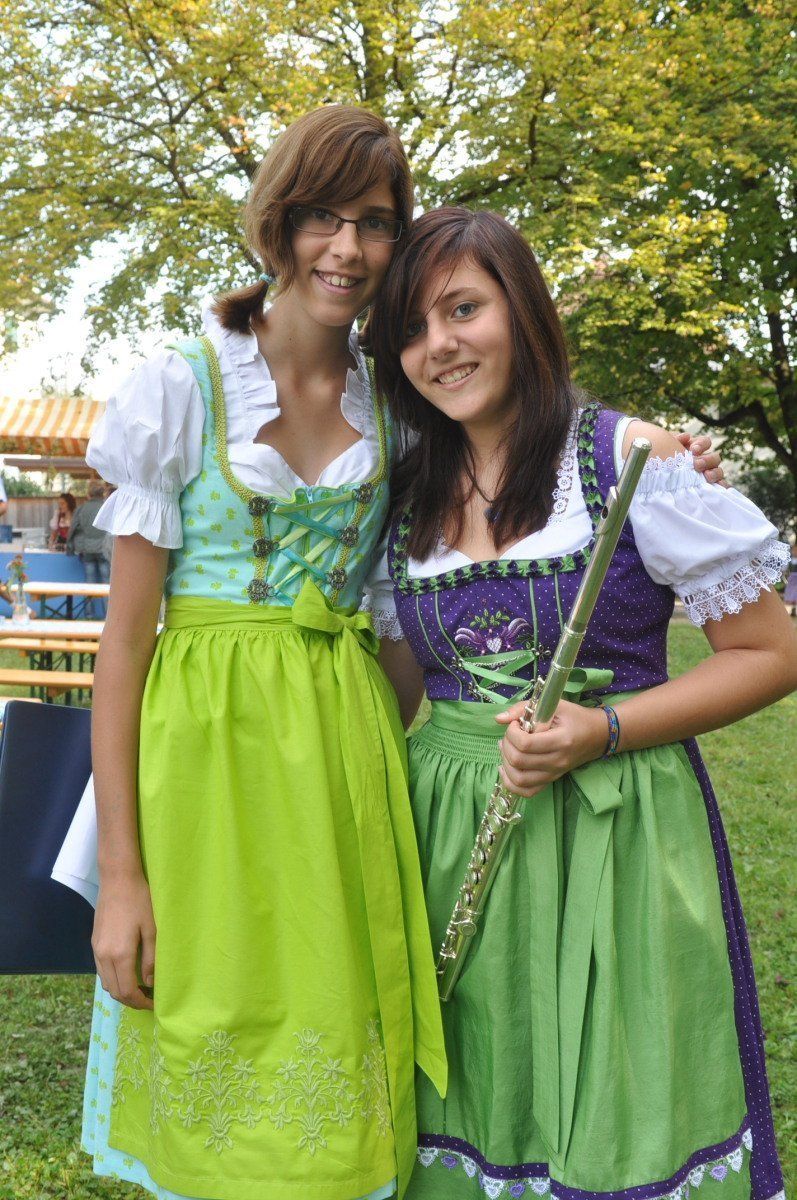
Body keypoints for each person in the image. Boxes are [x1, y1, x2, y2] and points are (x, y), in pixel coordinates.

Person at [365, 207, 794, 1200]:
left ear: (521, 308)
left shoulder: (628, 460)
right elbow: (393, 690)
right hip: (449, 838)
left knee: (619, 1093)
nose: (439, 345)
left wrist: (600, 730)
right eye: (411, 328)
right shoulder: (403, 496)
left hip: (618, 830)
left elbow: (769, 652)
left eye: (462, 308)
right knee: (476, 1093)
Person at [78, 106, 447, 1200]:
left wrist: (662, 448)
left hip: (341, 769)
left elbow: (397, 623)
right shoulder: (181, 384)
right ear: (278, 222)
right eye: (323, 217)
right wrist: (121, 876)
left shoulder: (400, 408)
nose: (348, 249)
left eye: (375, 223)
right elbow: (125, 645)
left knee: (334, 1045)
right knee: (210, 1033)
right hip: (201, 770)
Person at [66, 480, 111, 617]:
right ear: (102, 493)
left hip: (87, 549)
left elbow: (72, 529)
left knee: (89, 583)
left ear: (89, 493)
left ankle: (88, 614)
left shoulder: (81, 509)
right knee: (107, 584)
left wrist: (69, 547)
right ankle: (108, 615)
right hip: (104, 549)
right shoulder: (107, 507)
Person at [784, 539, 797, 616]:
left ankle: (795, 609)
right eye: (794, 550)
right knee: (790, 592)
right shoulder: (790, 560)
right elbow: (786, 569)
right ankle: (790, 609)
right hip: (791, 579)